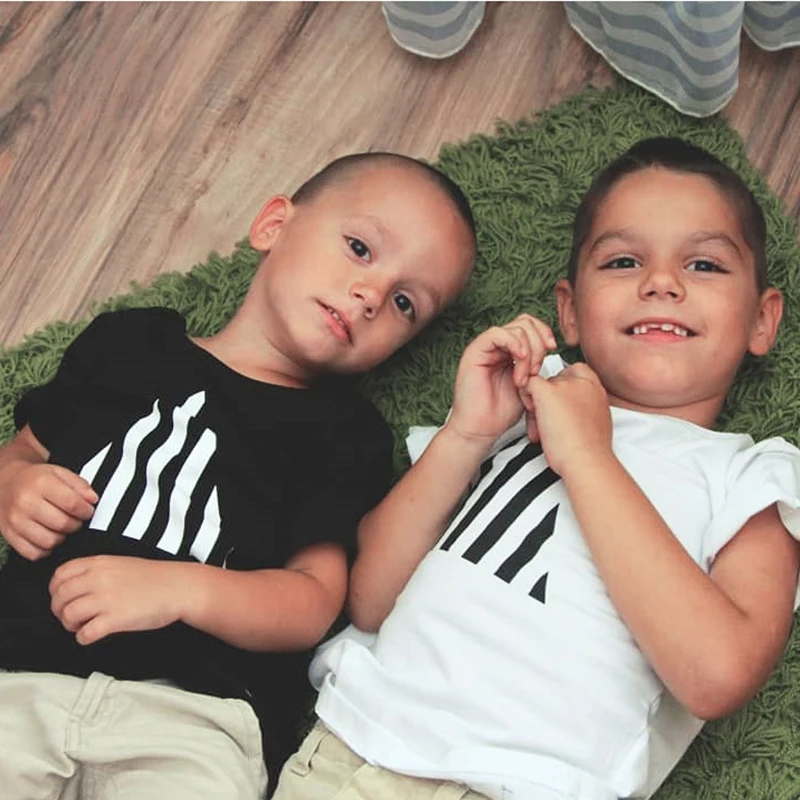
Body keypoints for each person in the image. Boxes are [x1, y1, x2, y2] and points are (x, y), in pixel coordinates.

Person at [271, 137, 800, 800]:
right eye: (624, 260)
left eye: (704, 264)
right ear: (570, 310)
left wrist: (587, 455)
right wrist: (467, 434)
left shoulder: (750, 476)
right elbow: (370, 597)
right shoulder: (520, 400)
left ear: (762, 319)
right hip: (355, 748)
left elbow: (717, 676)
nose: (661, 283)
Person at [0, 152, 477, 800]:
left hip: (194, 717)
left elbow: (313, 602)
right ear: (274, 224)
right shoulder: (129, 345)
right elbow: (24, 450)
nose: (370, 296)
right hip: (22, 673)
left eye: (403, 303)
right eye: (360, 248)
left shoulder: (345, 434)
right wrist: (14, 484)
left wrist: (181, 590)